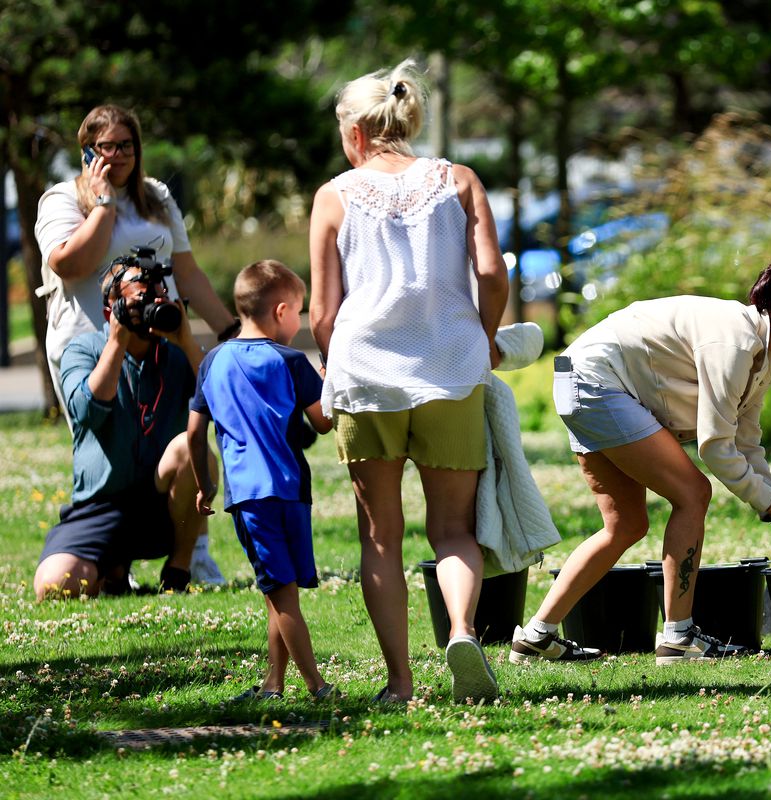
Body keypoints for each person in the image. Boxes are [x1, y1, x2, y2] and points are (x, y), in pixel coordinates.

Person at [510, 259, 771, 666]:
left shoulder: (760, 357)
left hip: (578, 376)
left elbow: (747, 440)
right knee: (693, 493)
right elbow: (716, 446)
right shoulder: (735, 343)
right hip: (594, 378)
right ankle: (678, 637)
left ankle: (535, 637)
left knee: (626, 524)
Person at [308, 61, 509, 705]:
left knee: (381, 536)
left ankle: (399, 681)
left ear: (359, 132)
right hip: (450, 368)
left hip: (368, 373)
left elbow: (321, 312)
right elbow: (493, 274)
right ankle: (459, 629)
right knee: (452, 529)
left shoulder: (333, 196)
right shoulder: (460, 181)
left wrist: (333, 357)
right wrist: (483, 335)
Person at [35, 103, 239, 585]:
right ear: (87, 151)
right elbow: (72, 265)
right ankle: (114, 558)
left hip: (160, 344)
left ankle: (194, 553)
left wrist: (232, 333)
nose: (119, 155)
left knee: (183, 441)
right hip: (89, 347)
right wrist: (103, 203)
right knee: (107, 452)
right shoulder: (62, 199)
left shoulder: (158, 198)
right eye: (106, 146)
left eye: (127, 145)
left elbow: (186, 272)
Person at [187, 260, 337, 702]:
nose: (301, 321)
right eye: (300, 312)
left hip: (251, 498)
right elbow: (323, 423)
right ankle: (274, 684)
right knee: (281, 590)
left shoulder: (213, 362)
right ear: (281, 311)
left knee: (279, 593)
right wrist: (324, 385)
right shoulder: (293, 363)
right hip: (292, 492)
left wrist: (204, 484)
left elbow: (195, 433)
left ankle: (317, 687)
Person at [33, 255, 214, 600]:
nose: (149, 307)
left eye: (156, 296)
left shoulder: (176, 355)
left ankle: (178, 570)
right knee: (55, 586)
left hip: (158, 504)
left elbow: (224, 405)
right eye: (139, 300)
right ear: (109, 311)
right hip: (99, 505)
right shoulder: (83, 349)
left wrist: (187, 342)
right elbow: (87, 412)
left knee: (190, 449)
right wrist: (116, 342)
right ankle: (113, 570)